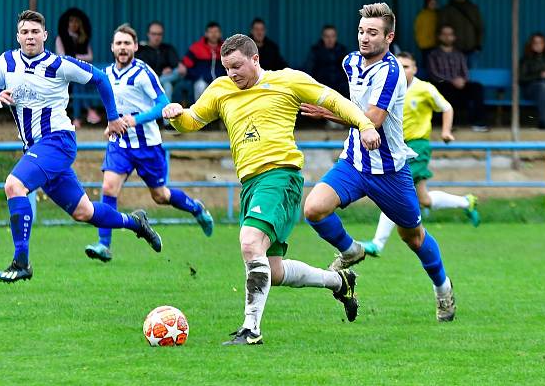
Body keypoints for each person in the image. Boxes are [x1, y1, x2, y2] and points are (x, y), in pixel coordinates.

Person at [163, 34, 381, 345]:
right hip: (251, 184)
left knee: (250, 243)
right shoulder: (221, 90)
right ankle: (338, 281)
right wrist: (175, 115)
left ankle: (251, 330)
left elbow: (333, 100)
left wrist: (366, 125)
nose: (232, 74)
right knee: (273, 271)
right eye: (226, 68)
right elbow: (191, 121)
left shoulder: (288, 80)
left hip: (280, 177)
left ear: (255, 59)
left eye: (237, 66)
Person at [300, 3, 456, 322]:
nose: (364, 38)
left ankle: (443, 289)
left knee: (412, 237)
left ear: (389, 37)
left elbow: (372, 118)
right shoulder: (350, 62)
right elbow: (355, 109)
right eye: (361, 31)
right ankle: (351, 250)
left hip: (390, 172)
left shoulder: (391, 71)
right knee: (313, 208)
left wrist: (326, 113)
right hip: (355, 163)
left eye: (372, 32)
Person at [0, 10, 163, 283]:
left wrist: (112, 118)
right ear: (18, 37)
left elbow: (100, 79)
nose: (30, 37)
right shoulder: (6, 62)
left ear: (45, 35)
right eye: (24, 32)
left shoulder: (60, 64)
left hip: (57, 141)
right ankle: (135, 223)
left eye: (35, 32)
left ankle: (21, 262)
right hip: (37, 148)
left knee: (13, 185)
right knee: (84, 212)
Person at [306, 52, 480, 256]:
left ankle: (377, 243)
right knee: (423, 199)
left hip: (416, 147)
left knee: (392, 195)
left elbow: (446, 107)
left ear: (415, 69)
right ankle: (466, 202)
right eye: (401, 65)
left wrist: (446, 131)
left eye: (407, 66)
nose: (403, 69)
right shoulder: (383, 85)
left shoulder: (424, 88)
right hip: (394, 147)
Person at [84, 24, 214, 263]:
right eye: (118, 43)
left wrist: (136, 119)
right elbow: (116, 107)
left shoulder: (143, 72)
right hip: (120, 143)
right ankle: (104, 245)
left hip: (147, 145)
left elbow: (164, 104)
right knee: (109, 188)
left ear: (135, 46)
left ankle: (197, 209)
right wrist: (112, 123)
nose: (122, 48)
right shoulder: (107, 74)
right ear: (112, 47)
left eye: (127, 43)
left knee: (160, 196)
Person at [427, 25, 488, 132]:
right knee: (446, 88)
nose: (447, 37)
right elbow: (434, 74)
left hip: (460, 85)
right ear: (440, 37)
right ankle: (449, 124)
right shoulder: (433, 54)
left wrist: (462, 81)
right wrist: (452, 81)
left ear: (454, 37)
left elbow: (465, 72)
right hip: (443, 85)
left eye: (450, 34)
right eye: (444, 34)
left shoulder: (459, 54)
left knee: (477, 87)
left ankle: (479, 123)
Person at [55, 7, 101, 127]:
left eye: (76, 22)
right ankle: (89, 111)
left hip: (80, 75)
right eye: (71, 22)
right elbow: (62, 57)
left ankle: (77, 119)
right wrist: (78, 58)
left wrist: (74, 57)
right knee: (76, 83)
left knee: (78, 84)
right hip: (64, 75)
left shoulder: (83, 39)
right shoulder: (61, 38)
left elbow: (90, 56)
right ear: (67, 23)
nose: (74, 24)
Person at [438, 0, 484, 69]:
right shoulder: (447, 9)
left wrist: (478, 45)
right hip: (453, 50)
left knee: (471, 77)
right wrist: (445, 46)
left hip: (472, 50)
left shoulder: (473, 8)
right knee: (453, 77)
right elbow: (441, 29)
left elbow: (480, 28)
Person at [177, 21, 225, 103]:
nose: (213, 34)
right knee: (200, 86)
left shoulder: (226, 48)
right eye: (211, 32)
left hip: (221, 81)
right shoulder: (197, 47)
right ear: (206, 34)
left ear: (220, 34)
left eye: (216, 32)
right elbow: (185, 65)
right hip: (202, 81)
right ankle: (199, 114)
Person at [137, 21, 181, 101]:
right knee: (167, 85)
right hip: (150, 79)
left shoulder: (168, 48)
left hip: (169, 77)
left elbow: (176, 66)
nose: (157, 37)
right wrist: (161, 73)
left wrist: (170, 69)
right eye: (154, 34)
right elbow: (143, 70)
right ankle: (166, 112)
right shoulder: (142, 50)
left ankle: (164, 110)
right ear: (148, 34)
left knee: (177, 71)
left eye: (159, 34)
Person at [304, 24, 349, 98]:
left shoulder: (342, 50)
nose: (330, 39)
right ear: (322, 37)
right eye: (327, 36)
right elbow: (309, 71)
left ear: (336, 37)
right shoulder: (315, 51)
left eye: (333, 36)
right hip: (321, 90)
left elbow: (349, 72)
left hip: (340, 91)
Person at [413, 0, 438, 71]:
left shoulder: (437, 14)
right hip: (425, 45)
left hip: (436, 45)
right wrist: (420, 42)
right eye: (431, 3)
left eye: (434, 3)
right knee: (426, 66)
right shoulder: (422, 15)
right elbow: (417, 29)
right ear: (427, 4)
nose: (433, 5)